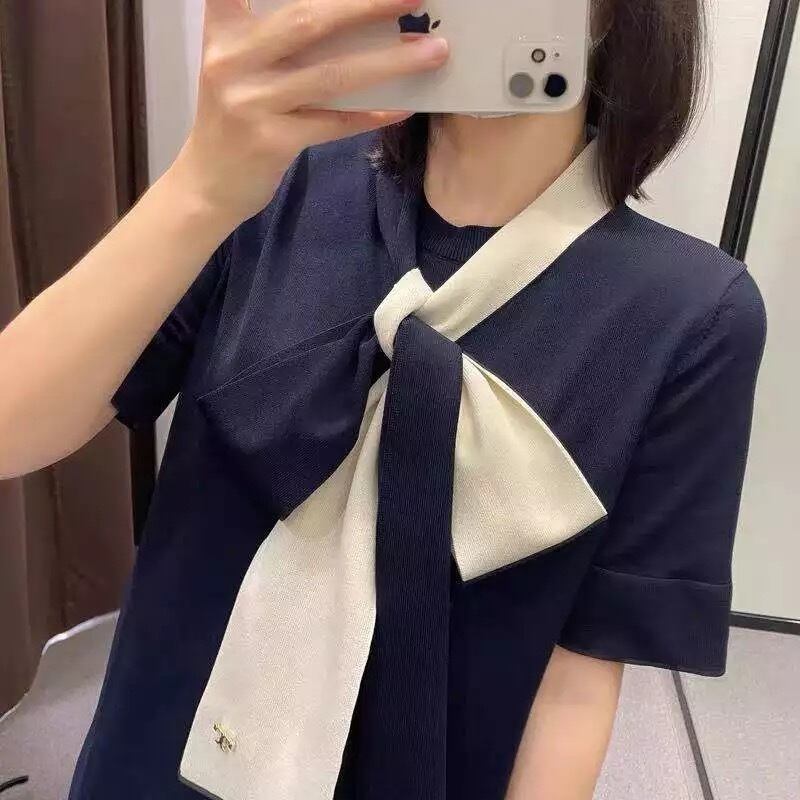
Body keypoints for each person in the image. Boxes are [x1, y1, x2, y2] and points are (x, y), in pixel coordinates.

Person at [0, 0, 767, 798]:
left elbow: (577, 679)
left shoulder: (693, 315)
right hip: (153, 758)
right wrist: (200, 184)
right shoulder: (269, 185)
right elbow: (11, 429)